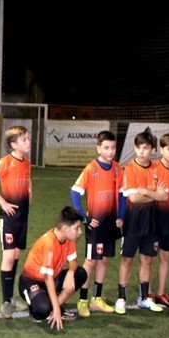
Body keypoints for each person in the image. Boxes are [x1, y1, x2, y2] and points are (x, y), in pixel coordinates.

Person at [70, 130, 125, 315]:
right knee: (91, 261)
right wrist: (84, 218)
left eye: (113, 148)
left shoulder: (117, 168)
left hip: (111, 223)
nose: (110, 152)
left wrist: (121, 216)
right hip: (96, 224)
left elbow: (122, 194)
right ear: (98, 148)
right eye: (106, 148)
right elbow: (75, 192)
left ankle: (97, 298)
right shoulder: (91, 168)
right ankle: (83, 300)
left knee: (104, 260)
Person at [0, 124, 32, 319]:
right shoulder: (6, 162)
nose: (28, 142)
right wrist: (3, 202)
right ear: (13, 144)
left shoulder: (26, 163)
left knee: (16, 254)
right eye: (24, 139)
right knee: (8, 257)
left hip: (22, 217)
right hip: (9, 218)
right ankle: (5, 302)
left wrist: (29, 195)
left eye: (27, 138)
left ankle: (11, 298)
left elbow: (28, 181)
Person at [117, 131, 168, 313]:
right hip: (133, 219)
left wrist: (145, 191)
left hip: (152, 219)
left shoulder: (157, 168)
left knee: (147, 259)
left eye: (145, 148)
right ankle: (121, 299)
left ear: (153, 150)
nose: (141, 151)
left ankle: (144, 298)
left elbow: (165, 196)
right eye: (138, 147)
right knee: (127, 259)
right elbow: (133, 198)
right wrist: (154, 194)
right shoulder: (130, 168)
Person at [18, 206, 88, 331]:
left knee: (80, 273)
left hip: (51, 278)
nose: (80, 232)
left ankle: (54, 306)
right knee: (42, 310)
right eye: (77, 228)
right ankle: (44, 308)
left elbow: (73, 262)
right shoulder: (49, 243)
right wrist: (55, 309)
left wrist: (70, 272)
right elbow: (47, 278)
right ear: (65, 229)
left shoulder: (68, 239)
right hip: (32, 281)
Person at [149, 133, 169, 307]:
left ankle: (161, 293)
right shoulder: (154, 168)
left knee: (166, 257)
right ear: (161, 150)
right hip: (155, 218)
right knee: (150, 258)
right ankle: (148, 293)